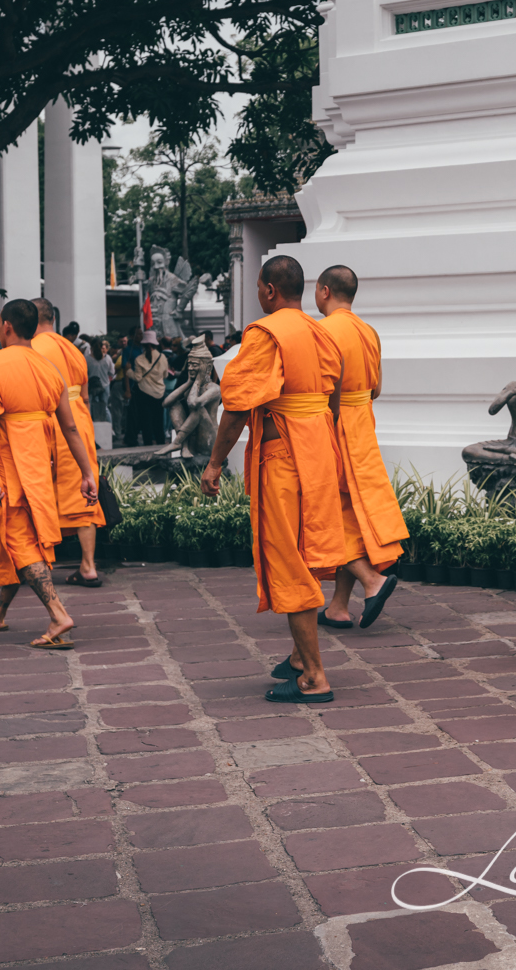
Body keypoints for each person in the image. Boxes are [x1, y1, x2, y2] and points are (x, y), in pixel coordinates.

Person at [202, 256, 351, 704]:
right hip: (319, 451)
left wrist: (214, 463)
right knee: (309, 551)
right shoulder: (320, 331)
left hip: (284, 457)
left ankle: (315, 678)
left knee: (287, 558)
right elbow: (335, 396)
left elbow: (237, 407)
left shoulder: (265, 334)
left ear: (269, 290)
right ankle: (300, 656)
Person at [0, 298, 99, 649]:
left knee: (17, 539)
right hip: (41, 462)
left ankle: (57, 614)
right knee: (23, 536)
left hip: (10, 463)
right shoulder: (49, 366)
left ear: (5, 326)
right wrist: (87, 473)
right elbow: (70, 428)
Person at [313, 266, 409, 629]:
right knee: (352, 512)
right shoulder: (369, 331)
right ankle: (338, 606)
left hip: (334, 426)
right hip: (364, 425)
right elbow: (377, 389)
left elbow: (321, 388)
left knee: (332, 515)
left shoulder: (321, 331)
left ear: (324, 291)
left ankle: (373, 580)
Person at [32, 298, 104, 587]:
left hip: (50, 421)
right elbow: (85, 395)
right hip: (80, 423)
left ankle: (37, 562)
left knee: (40, 492)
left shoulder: (33, 349)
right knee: (84, 492)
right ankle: (88, 565)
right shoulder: (73, 349)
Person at [127, 334, 169, 447]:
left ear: (144, 345)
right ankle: (161, 444)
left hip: (144, 393)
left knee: (146, 421)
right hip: (159, 393)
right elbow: (165, 375)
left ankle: (148, 445)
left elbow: (138, 378)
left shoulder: (139, 359)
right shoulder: (162, 357)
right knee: (158, 421)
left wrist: (129, 371)